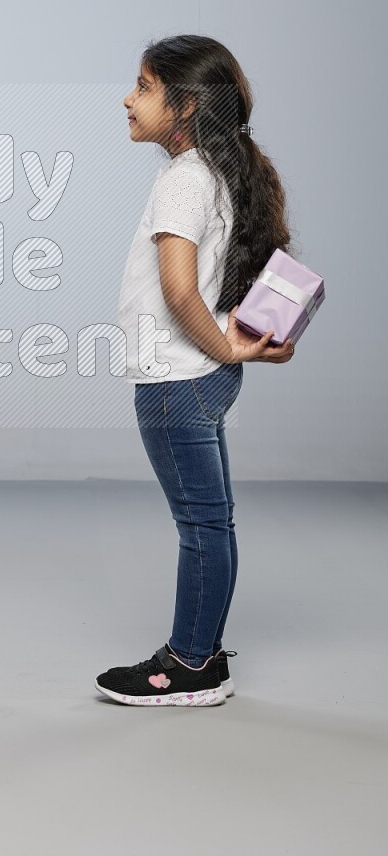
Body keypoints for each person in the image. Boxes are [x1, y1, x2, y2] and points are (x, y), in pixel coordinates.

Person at [95, 35, 295, 707]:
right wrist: (233, 350)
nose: (128, 97)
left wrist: (228, 348)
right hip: (200, 381)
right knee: (214, 522)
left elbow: (181, 292)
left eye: (144, 86)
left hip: (176, 381)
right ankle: (202, 656)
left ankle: (190, 666)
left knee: (202, 526)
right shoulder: (214, 170)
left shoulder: (185, 181)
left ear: (184, 107)